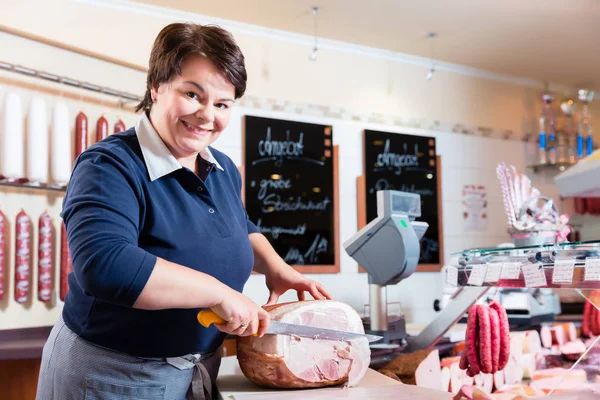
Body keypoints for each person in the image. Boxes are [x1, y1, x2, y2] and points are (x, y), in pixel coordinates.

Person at [36, 22, 331, 400]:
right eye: (193, 94)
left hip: (196, 369)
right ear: (156, 87)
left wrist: (277, 268)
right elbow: (105, 265)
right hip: (111, 375)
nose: (208, 116)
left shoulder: (222, 169)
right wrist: (217, 292)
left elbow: (239, 226)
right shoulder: (109, 165)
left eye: (222, 104)